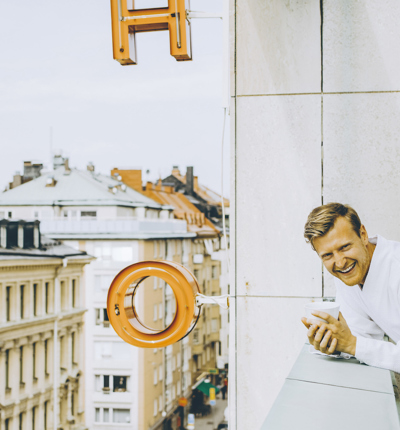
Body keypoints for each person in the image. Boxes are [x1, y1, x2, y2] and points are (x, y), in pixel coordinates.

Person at [301, 203, 400, 373]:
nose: (339, 263)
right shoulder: (350, 273)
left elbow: (356, 344)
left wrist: (352, 344)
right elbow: (359, 335)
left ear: (363, 234)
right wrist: (333, 342)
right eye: (327, 255)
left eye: (345, 247)